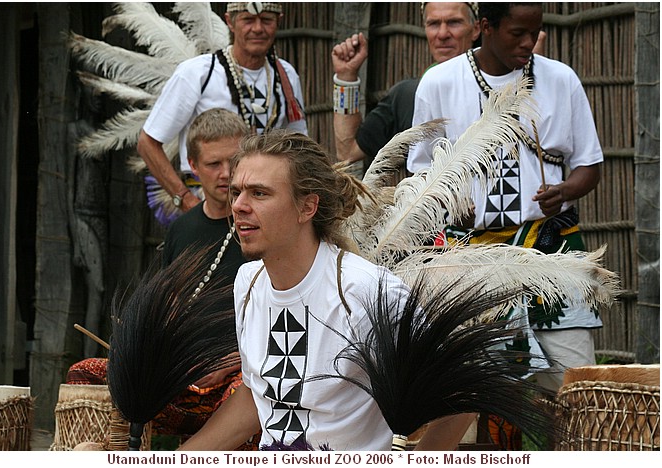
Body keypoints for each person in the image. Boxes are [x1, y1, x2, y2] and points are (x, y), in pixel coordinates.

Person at [176, 130, 483, 451]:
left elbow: (463, 391)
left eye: (259, 193)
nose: (238, 205)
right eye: (237, 191)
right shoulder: (248, 282)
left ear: (307, 207)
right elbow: (261, 394)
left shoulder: (366, 292)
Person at [407, 2, 604, 394]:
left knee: (574, 386)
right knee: (476, 393)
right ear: (485, 28)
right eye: (518, 33)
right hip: (469, 257)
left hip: (552, 247)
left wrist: (565, 190)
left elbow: (589, 165)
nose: (529, 42)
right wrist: (449, 203)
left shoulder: (560, 79)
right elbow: (420, 172)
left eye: (535, 32)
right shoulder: (440, 83)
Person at [66, 109, 259, 449]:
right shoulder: (182, 229)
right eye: (214, 164)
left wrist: (231, 360)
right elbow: (166, 308)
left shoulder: (259, 226)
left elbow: (282, 320)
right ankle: (109, 454)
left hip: (236, 376)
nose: (226, 173)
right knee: (87, 373)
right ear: (193, 166)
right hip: (181, 378)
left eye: (234, 161)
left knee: (251, 390)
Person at [332, 2, 545, 175]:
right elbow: (347, 152)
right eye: (434, 24)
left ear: (477, 29)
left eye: (454, 22)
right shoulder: (407, 95)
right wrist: (346, 78)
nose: (442, 34)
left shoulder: (514, 86)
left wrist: (529, 71)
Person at [137, 2, 307, 215]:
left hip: (263, 207)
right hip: (205, 202)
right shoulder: (198, 73)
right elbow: (148, 143)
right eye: (247, 20)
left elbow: (299, 146)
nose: (257, 28)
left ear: (278, 22)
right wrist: (187, 201)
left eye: (266, 20)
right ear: (230, 22)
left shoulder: (286, 75)